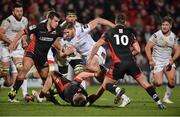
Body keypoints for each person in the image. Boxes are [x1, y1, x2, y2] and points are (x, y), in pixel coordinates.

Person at [88, 14, 165, 110]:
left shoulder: (108, 32)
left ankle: (120, 92)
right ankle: (159, 102)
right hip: (131, 62)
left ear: (115, 22)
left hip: (118, 63)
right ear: (125, 23)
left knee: (106, 85)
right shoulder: (129, 33)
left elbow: (96, 45)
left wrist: (90, 58)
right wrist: (130, 55)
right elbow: (138, 50)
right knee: (145, 84)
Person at [8, 11, 63, 101]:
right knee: (23, 72)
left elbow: (58, 41)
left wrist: (63, 48)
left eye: (58, 22)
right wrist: (13, 43)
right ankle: (14, 90)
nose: (57, 24)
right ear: (49, 19)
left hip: (42, 58)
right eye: (55, 21)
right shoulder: (38, 26)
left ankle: (48, 96)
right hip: (31, 54)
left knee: (47, 80)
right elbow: (23, 32)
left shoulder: (58, 30)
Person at [145, 16, 180, 104]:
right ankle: (153, 81)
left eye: (166, 25)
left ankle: (166, 98)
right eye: (163, 25)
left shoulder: (174, 37)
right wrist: (150, 60)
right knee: (159, 83)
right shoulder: (157, 35)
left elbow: (178, 50)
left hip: (168, 61)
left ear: (170, 26)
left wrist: (173, 59)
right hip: (157, 61)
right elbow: (147, 47)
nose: (164, 26)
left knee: (172, 80)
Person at [0, 1, 29, 102]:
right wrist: (11, 42)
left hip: (18, 50)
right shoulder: (7, 21)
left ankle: (19, 95)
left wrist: (24, 41)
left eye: (21, 11)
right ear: (13, 12)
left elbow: (25, 33)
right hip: (6, 48)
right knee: (5, 74)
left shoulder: (25, 20)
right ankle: (5, 81)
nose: (20, 13)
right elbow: (1, 34)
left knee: (21, 69)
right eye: (17, 11)